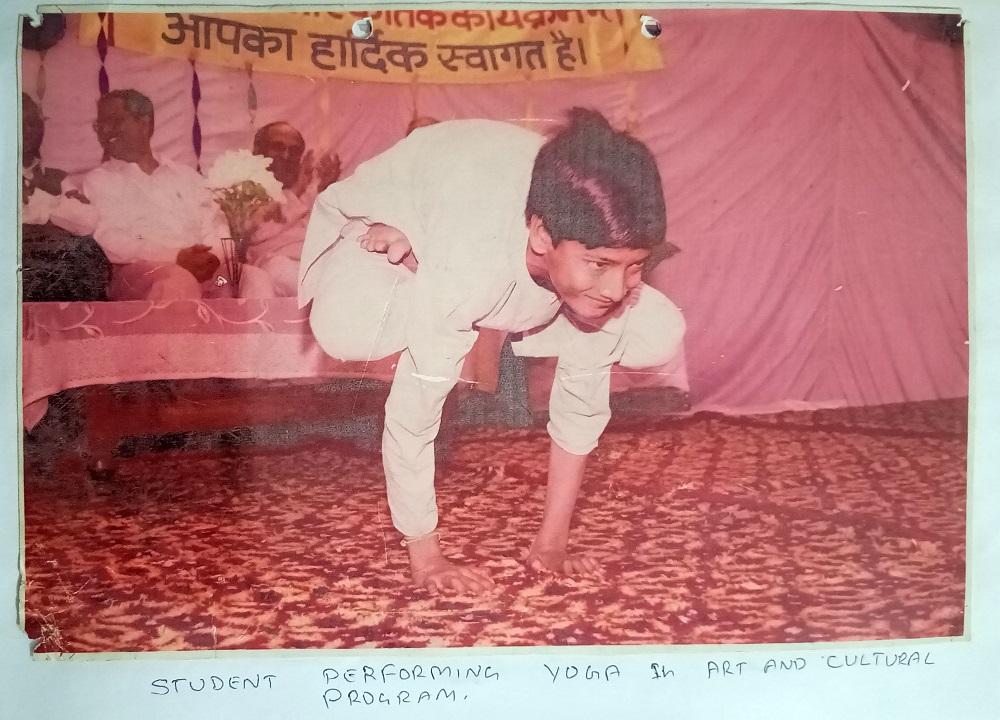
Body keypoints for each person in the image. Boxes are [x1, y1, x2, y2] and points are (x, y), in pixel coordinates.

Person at [299, 108, 685, 595]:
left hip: (482, 210)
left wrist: (552, 546)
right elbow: (413, 415)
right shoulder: (473, 262)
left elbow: (582, 405)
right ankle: (409, 248)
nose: (616, 287)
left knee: (657, 330)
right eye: (600, 264)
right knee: (350, 330)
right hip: (402, 208)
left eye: (635, 266)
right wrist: (426, 556)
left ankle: (489, 279)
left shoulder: (586, 251)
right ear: (542, 236)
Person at [82, 89, 272, 301]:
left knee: (252, 278)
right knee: (177, 282)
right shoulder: (99, 180)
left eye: (114, 121)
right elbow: (109, 239)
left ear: (144, 124)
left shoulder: (187, 176)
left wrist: (212, 258)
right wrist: (177, 257)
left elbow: (215, 224)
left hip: (206, 272)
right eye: (100, 125)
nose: (105, 130)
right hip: (141, 274)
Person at [21, 92, 111, 302]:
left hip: (53, 261)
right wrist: (56, 207)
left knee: (88, 254)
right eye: (17, 122)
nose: (25, 130)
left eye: (32, 123)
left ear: (42, 128)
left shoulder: (56, 178)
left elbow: (87, 221)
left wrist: (38, 200)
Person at [245, 122, 340, 297]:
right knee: (280, 270)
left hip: (321, 266)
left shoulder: (312, 189)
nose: (286, 156)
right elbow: (256, 232)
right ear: (258, 151)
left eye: (294, 151)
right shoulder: (244, 188)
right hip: (276, 268)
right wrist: (297, 189)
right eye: (278, 147)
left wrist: (327, 191)